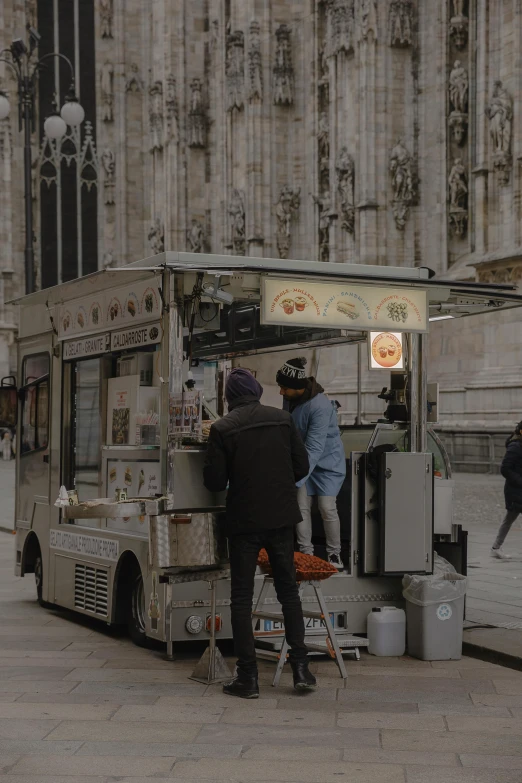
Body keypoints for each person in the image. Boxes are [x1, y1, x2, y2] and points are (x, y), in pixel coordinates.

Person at [203, 368, 316, 698]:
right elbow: (302, 467)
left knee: (241, 598)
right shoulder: (282, 420)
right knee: (288, 593)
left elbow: (213, 482)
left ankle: (248, 677)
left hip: (244, 522)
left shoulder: (223, 428)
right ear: (257, 391)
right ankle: (301, 669)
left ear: (228, 398)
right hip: (281, 518)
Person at [276, 357, 346, 570]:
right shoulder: (290, 400)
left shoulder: (320, 406)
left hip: (327, 463)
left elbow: (315, 448)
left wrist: (296, 477)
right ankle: (306, 554)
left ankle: (334, 554)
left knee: (327, 508)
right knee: (301, 507)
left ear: (297, 387)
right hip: (301, 459)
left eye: (284, 388)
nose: (281, 393)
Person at [492, 421, 522, 559]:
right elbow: (505, 469)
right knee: (509, 518)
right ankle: (496, 547)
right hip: (515, 491)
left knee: (509, 519)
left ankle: (496, 547)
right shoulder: (515, 447)